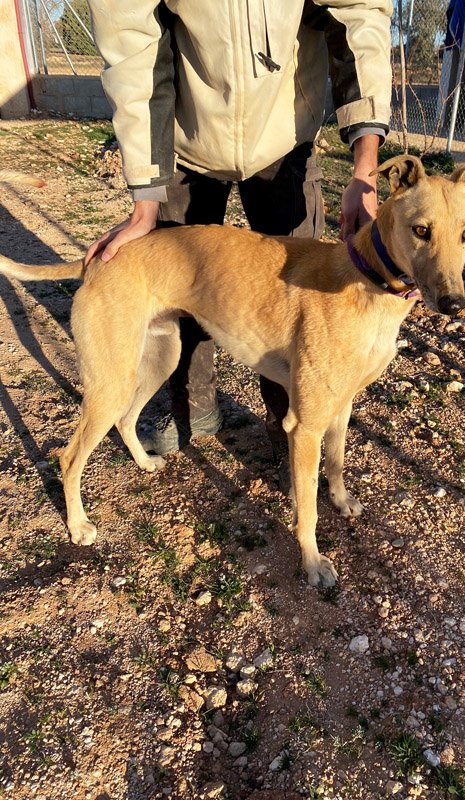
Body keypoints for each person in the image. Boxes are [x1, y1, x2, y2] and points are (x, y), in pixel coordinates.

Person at [85, 1, 393, 482]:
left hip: (284, 136)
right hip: (186, 141)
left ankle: (293, 428)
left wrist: (365, 169)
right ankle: (193, 408)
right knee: (183, 288)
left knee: (301, 315)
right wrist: (146, 197)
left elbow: (358, 18)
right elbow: (132, 45)